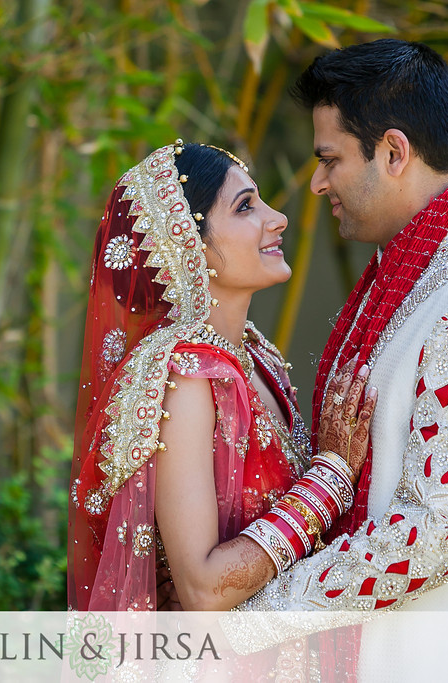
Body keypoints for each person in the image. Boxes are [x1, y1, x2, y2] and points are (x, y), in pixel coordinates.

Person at [223, 39, 448, 682]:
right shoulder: (400, 283)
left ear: (394, 152)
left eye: (330, 160)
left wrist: (252, 615)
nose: (317, 184)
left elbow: (437, 530)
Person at [67, 141, 378, 617]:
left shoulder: (257, 357)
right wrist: (330, 478)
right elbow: (204, 589)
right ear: (186, 245)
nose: (278, 218)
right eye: (245, 206)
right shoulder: (188, 380)